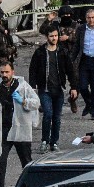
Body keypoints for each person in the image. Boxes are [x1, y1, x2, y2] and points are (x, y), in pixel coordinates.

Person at [0, 62, 40, 187]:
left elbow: (36, 102)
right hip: (3, 129)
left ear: (12, 72)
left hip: (20, 128)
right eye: (2, 72)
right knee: (0, 161)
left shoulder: (22, 86)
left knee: (26, 162)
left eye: (6, 72)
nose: (4, 75)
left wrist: (23, 101)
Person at [29, 25, 76, 153]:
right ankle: (44, 140)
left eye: (56, 36)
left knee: (56, 117)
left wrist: (74, 87)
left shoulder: (62, 52)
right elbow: (32, 70)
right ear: (47, 37)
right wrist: (33, 88)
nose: (54, 38)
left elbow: (70, 71)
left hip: (59, 90)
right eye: (51, 36)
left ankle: (54, 142)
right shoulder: (40, 53)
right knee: (48, 114)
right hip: (45, 90)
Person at [38, 5, 80, 113]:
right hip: (57, 56)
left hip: (72, 57)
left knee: (75, 81)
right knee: (52, 79)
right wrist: (49, 19)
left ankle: (72, 99)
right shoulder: (55, 25)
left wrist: (68, 38)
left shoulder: (76, 26)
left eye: (68, 15)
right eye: (64, 15)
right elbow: (43, 30)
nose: (66, 16)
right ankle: (46, 102)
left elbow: (81, 38)